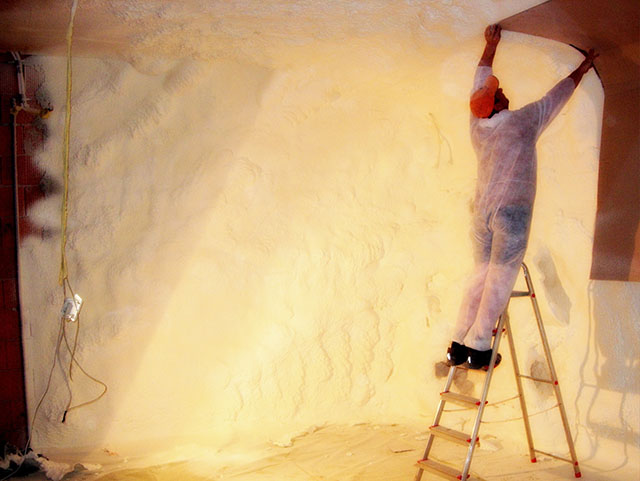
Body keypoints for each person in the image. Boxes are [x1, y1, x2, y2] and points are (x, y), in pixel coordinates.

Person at [446, 24, 598, 369]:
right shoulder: (522, 123)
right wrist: (582, 68)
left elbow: (477, 85)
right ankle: (479, 347)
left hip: (482, 215)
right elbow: (555, 99)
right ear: (497, 103)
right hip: (510, 214)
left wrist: (491, 46)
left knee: (479, 275)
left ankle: (457, 343)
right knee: (499, 277)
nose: (502, 91)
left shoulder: (477, 126)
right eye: (498, 93)